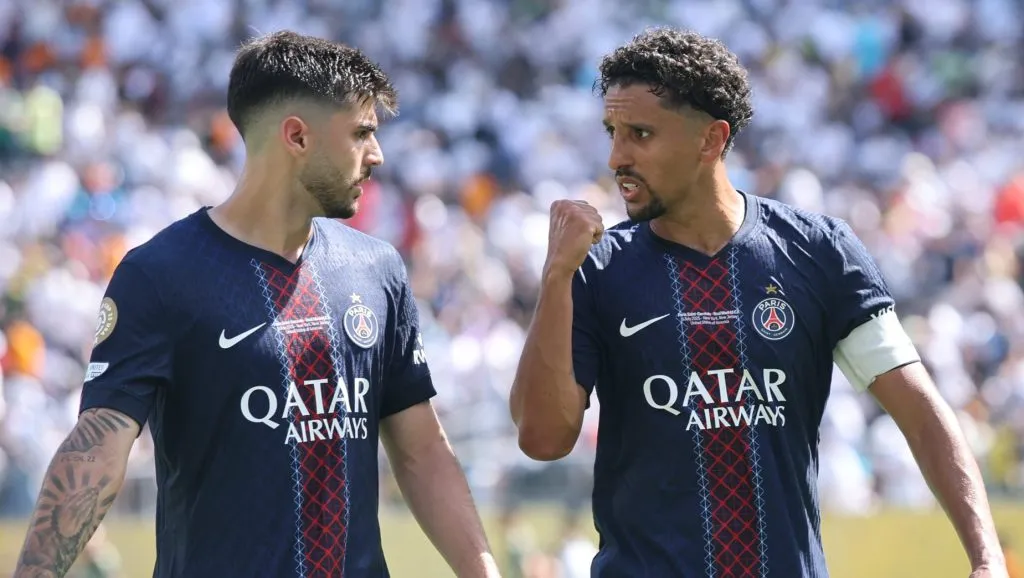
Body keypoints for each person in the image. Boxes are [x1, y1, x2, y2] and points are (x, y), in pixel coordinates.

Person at [509, 27, 1007, 578]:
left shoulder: (819, 251)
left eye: (640, 134)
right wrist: (556, 276)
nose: (616, 157)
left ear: (711, 140)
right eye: (612, 132)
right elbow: (543, 439)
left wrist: (987, 558)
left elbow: (919, 411)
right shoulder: (594, 268)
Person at [13, 30, 500, 578]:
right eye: (362, 132)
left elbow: (422, 451)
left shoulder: (377, 268)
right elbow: (98, 447)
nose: (378, 155)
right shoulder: (161, 275)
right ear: (296, 136)